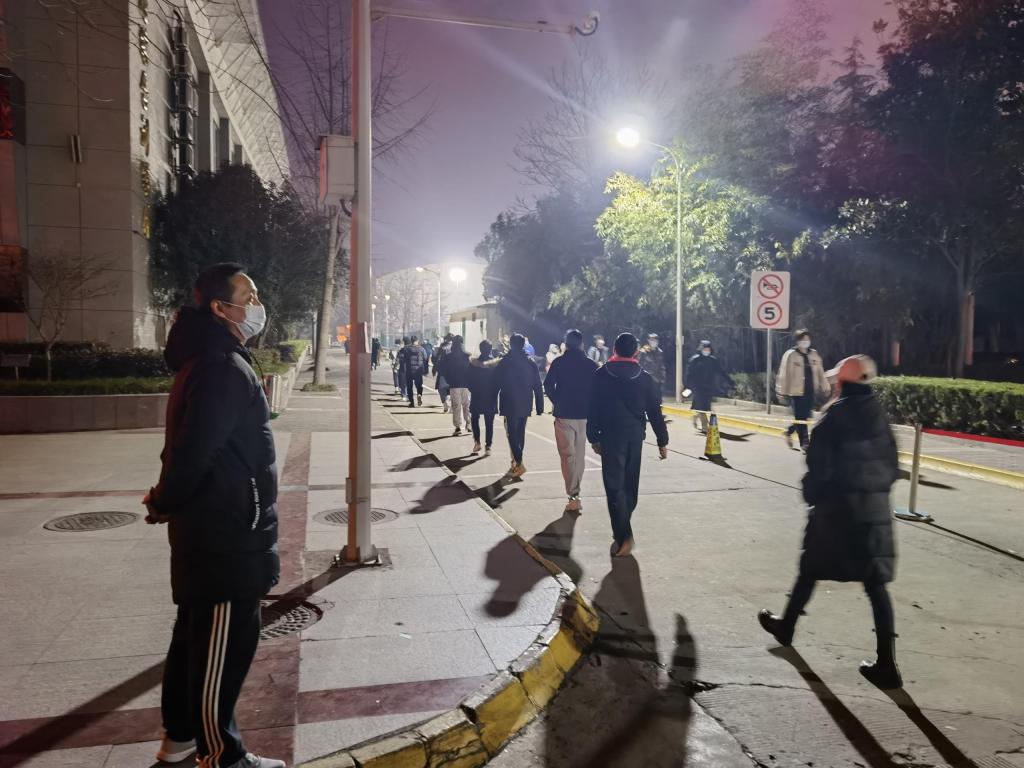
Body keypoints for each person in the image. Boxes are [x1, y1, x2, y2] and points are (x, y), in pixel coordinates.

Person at [144, 263, 283, 768]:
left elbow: (190, 448)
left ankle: (180, 739)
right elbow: (194, 451)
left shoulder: (209, 360)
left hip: (215, 525)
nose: (257, 305)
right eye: (249, 296)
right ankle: (223, 756)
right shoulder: (222, 366)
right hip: (226, 532)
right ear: (221, 308)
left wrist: (165, 499)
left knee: (195, 639)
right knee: (221, 651)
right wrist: (164, 499)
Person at [758, 354, 903, 689]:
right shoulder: (879, 415)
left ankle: (786, 626)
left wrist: (813, 496)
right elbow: (893, 467)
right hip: (873, 513)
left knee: (811, 567)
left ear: (841, 382)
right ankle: (887, 663)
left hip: (836, 512)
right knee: (875, 585)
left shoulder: (833, 417)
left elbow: (818, 467)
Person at [587, 333, 669, 557]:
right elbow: (655, 413)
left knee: (615, 489)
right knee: (630, 487)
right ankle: (622, 530)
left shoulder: (601, 375)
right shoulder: (645, 378)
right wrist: (662, 440)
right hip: (634, 438)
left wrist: (593, 436)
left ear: (614, 349)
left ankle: (624, 535)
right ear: (636, 352)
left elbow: (592, 408)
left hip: (611, 437)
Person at [544, 329, 599, 513]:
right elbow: (597, 390)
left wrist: (558, 400)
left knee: (567, 456)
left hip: (564, 415)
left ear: (566, 344)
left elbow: (548, 385)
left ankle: (573, 495)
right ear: (582, 344)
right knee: (579, 456)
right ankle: (576, 492)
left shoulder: (559, 362)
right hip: (584, 416)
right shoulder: (591, 365)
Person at [495, 333, 545, 478]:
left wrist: (492, 403)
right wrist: (540, 406)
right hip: (525, 401)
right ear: (523, 345)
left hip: (509, 401)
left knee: (512, 433)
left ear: (511, 344)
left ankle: (519, 461)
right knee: (520, 433)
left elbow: (495, 382)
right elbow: (537, 385)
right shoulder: (530, 362)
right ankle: (518, 463)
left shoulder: (505, 361)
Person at [776, 328, 829, 451]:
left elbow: (820, 371)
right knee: (801, 417)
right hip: (796, 392)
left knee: (804, 417)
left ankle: (788, 432)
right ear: (797, 341)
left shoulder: (814, 354)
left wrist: (825, 386)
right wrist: (781, 391)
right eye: (803, 339)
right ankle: (805, 444)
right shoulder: (790, 355)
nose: (805, 341)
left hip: (810, 391)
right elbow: (783, 374)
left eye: (807, 339)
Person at [686, 340, 734, 433]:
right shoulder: (695, 360)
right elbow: (689, 374)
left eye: (708, 349)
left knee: (705, 407)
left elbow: (722, 372)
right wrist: (688, 386)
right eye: (705, 349)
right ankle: (705, 426)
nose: (706, 351)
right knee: (701, 406)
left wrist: (730, 382)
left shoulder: (713, 360)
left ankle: (695, 416)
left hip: (709, 388)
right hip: (698, 388)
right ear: (701, 349)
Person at [467, 339, 500, 455]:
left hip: (477, 394)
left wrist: (473, 389)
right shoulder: (495, 363)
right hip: (491, 396)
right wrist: (495, 392)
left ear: (480, 349)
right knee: (489, 422)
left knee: (475, 418)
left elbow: (468, 379)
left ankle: (477, 442)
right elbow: (499, 381)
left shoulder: (474, 363)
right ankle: (488, 446)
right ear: (490, 349)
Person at [438, 335, 472, 436]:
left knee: (456, 406)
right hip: (467, 384)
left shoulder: (449, 356)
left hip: (454, 384)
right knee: (467, 405)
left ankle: (458, 428)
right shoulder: (467, 355)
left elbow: (443, 370)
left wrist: (448, 380)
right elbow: (472, 370)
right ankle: (469, 424)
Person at [401, 335, 428, 407]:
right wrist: (425, 371)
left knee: (409, 387)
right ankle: (419, 394)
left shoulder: (407, 349)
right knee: (419, 385)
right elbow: (425, 359)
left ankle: (412, 402)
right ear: (417, 341)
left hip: (409, 370)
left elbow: (404, 359)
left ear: (411, 341)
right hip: (418, 370)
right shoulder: (422, 349)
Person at [433, 333, 454, 412]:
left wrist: (435, 368)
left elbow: (436, 358)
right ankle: (450, 405)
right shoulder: (455, 347)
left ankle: (445, 403)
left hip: (443, 370)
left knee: (441, 388)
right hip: (453, 371)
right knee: (452, 389)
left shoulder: (442, 347)